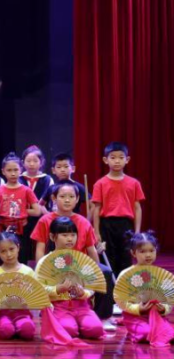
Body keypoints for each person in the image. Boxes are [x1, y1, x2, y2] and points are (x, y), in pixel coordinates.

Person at [31, 182, 114, 321]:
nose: (67, 200)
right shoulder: (45, 220)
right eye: (63, 196)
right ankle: (50, 307)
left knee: (105, 272)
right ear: (54, 198)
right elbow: (40, 248)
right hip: (55, 267)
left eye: (71, 196)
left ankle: (101, 317)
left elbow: (91, 249)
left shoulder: (83, 222)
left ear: (77, 199)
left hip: (79, 267)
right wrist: (42, 268)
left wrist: (96, 271)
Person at [43, 217, 104, 340]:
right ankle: (72, 324)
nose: (70, 239)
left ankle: (80, 323)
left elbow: (91, 284)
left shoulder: (82, 260)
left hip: (82, 306)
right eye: (64, 235)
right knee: (68, 329)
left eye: (73, 235)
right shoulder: (46, 262)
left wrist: (83, 292)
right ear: (52, 237)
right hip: (59, 306)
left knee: (96, 329)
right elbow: (40, 288)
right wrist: (57, 289)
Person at [90, 141, 144, 278]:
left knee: (125, 257)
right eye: (113, 157)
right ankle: (109, 289)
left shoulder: (134, 183)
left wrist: (137, 231)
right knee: (108, 258)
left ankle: (123, 287)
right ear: (105, 160)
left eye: (121, 157)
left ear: (127, 159)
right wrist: (96, 232)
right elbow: (97, 208)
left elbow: (137, 208)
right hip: (106, 225)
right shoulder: (100, 183)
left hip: (126, 225)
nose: (117, 161)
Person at [118, 232, 172, 346]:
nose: (148, 255)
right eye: (142, 251)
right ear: (133, 253)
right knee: (146, 333)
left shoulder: (160, 275)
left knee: (169, 335)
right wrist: (138, 308)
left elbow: (169, 299)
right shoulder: (126, 274)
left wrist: (163, 309)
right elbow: (121, 301)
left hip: (155, 316)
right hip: (134, 317)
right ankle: (133, 331)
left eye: (151, 251)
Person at [0, 153, 41, 263]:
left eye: (16, 170)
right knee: (4, 258)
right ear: (3, 171)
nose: (13, 173)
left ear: (21, 170)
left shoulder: (26, 190)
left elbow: (37, 211)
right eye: (9, 170)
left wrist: (20, 210)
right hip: (3, 229)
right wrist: (3, 210)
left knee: (21, 257)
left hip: (22, 230)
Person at [0, 232, 37, 341]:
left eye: (11, 249)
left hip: (22, 313)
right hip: (2, 314)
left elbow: (35, 295)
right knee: (6, 330)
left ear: (18, 247)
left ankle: (18, 327)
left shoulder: (28, 271)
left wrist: (27, 300)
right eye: (3, 251)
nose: (8, 254)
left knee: (28, 331)